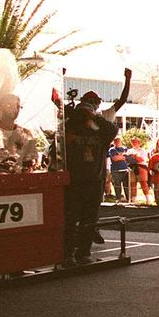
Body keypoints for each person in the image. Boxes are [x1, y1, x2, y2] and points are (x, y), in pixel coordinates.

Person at [63, 92, 118, 265]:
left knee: (90, 219)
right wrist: (78, 116)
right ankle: (67, 253)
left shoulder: (100, 131)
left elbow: (113, 130)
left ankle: (83, 252)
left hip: (95, 180)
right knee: (71, 218)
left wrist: (94, 116)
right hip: (75, 180)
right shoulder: (70, 128)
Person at [107, 136, 130, 204]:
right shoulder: (112, 150)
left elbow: (128, 158)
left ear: (121, 142)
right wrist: (123, 157)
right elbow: (114, 159)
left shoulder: (125, 149)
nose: (117, 142)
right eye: (116, 141)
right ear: (114, 142)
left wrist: (120, 157)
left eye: (118, 141)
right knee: (117, 185)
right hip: (115, 170)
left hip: (125, 169)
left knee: (126, 185)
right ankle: (118, 199)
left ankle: (128, 199)